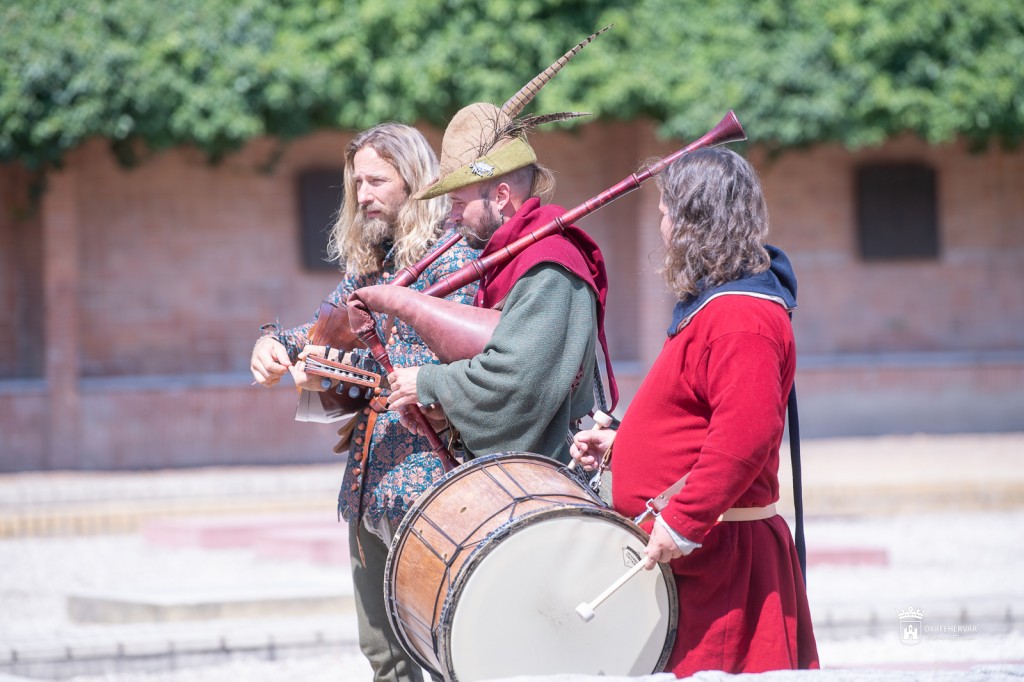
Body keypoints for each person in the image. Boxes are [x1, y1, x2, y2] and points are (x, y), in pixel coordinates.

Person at [570, 147, 819, 676]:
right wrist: (625, 445)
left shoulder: (740, 317)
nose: (662, 228)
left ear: (692, 223)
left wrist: (683, 521)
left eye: (665, 214)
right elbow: (700, 417)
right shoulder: (720, 306)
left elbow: (745, 437)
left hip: (722, 558)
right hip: (702, 553)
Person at [249, 123, 478, 682]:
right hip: (367, 484)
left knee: (451, 651)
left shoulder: (458, 258)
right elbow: (322, 329)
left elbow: (484, 362)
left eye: (377, 181)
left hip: (433, 484)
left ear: (414, 180)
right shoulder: (371, 263)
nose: (363, 194)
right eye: (357, 183)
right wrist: (273, 342)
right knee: (384, 657)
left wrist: (423, 381)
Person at [384, 97, 615, 463]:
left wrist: (429, 382)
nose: (452, 217)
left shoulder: (548, 265)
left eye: (460, 203)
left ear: (502, 196)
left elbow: (518, 384)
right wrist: (447, 413)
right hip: (518, 473)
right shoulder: (512, 258)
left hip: (542, 476)